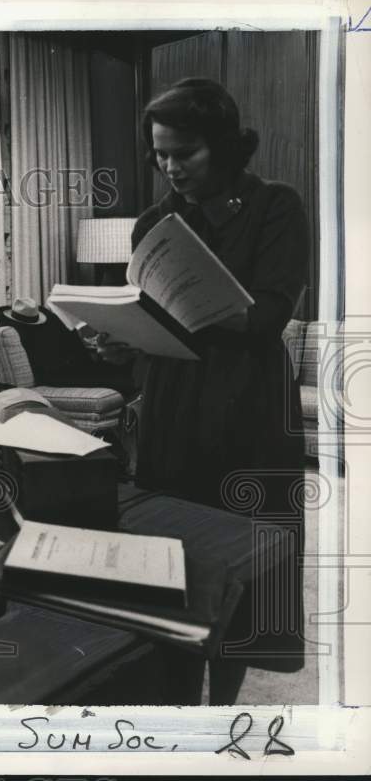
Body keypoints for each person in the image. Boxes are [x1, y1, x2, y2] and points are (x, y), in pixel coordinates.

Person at [98, 78, 308, 703]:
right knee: (173, 568)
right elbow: (149, 320)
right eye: (159, 154)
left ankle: (224, 708)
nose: (169, 167)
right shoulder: (153, 222)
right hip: (173, 406)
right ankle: (180, 703)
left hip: (247, 409)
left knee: (244, 566)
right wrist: (122, 340)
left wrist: (185, 313)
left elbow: (267, 316)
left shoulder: (277, 206)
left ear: (222, 146)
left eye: (183, 153)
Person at [0, 297, 135, 393]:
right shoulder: (16, 330)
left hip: (73, 368)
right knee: (119, 377)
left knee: (125, 368)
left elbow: (75, 349)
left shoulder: (52, 322)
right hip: (54, 375)